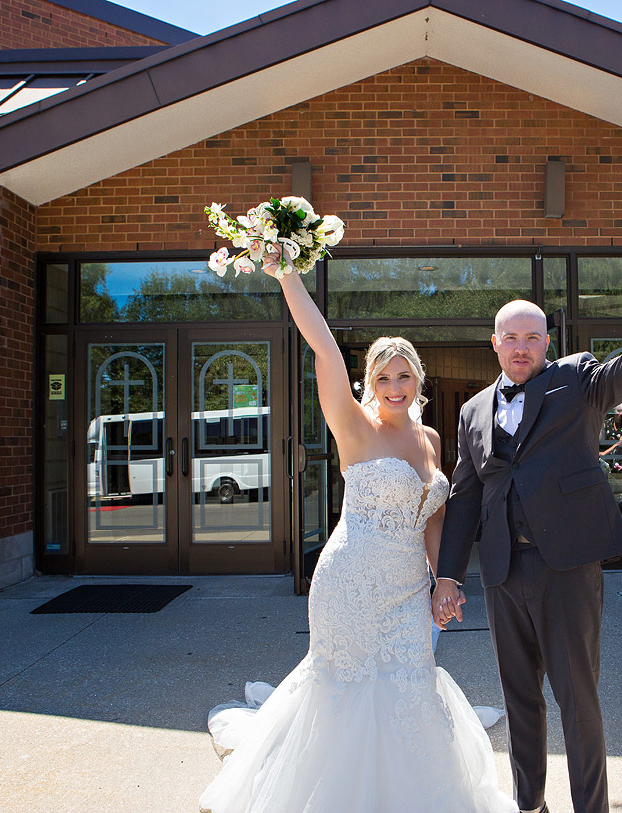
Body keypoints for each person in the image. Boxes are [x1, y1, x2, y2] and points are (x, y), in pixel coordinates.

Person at [199, 267, 516, 812]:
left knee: (412, 686)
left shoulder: (431, 439)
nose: (394, 389)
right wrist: (288, 275)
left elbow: (432, 519)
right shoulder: (354, 427)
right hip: (351, 581)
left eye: (404, 378)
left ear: (419, 381)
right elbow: (323, 347)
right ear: (369, 384)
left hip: (408, 591)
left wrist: (444, 581)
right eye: (383, 380)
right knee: (345, 689)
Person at [433, 277, 622, 813]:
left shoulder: (575, 380)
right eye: (511, 337)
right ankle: (531, 805)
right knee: (519, 700)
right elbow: (463, 497)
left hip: (568, 567)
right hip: (503, 572)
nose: (521, 346)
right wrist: (449, 575)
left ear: (547, 343)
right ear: (495, 343)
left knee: (578, 700)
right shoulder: (474, 411)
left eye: (532, 337)